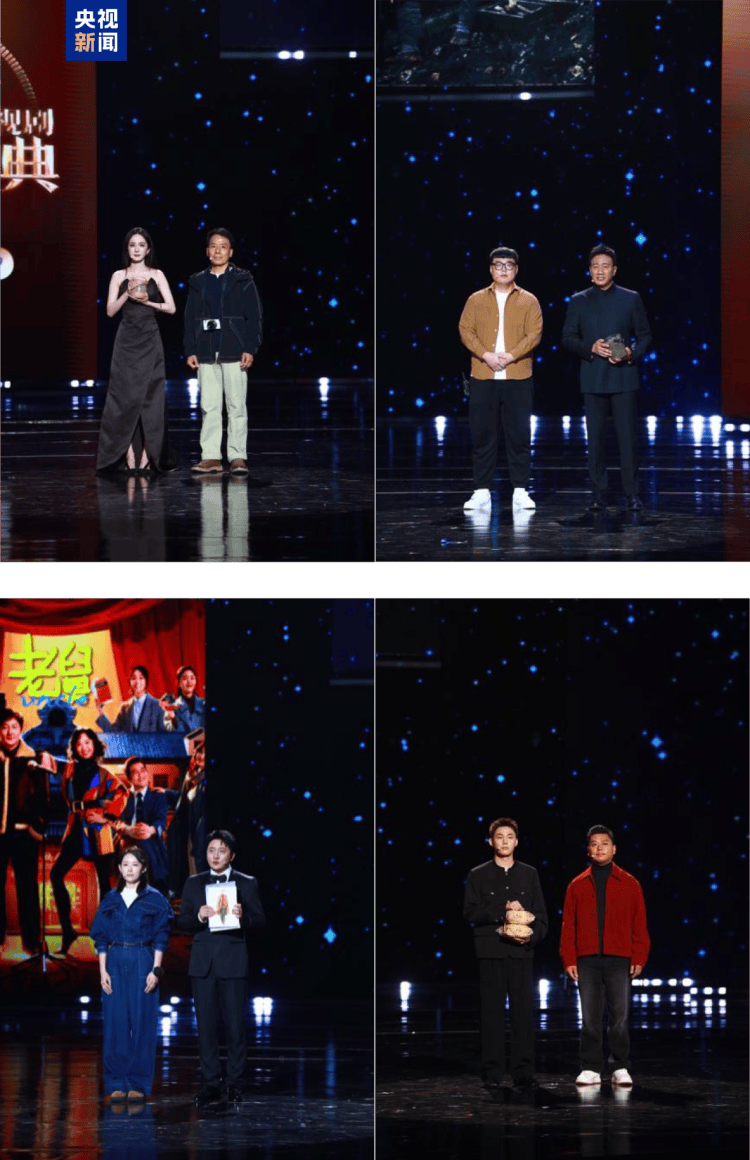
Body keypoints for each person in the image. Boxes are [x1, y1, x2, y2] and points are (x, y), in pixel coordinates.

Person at [177, 830, 265, 1105]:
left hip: (233, 961)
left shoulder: (247, 883)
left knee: (235, 1027)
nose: (215, 855)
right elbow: (183, 922)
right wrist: (199, 915)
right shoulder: (193, 883)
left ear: (232, 855)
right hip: (202, 964)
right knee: (205, 1028)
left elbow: (260, 920)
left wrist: (243, 916)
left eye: (222, 850)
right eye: (211, 850)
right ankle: (211, 1084)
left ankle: (235, 1083)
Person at [562, 244, 653, 511]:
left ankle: (632, 494)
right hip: (593, 379)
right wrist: (589, 347)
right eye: (595, 266)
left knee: (628, 440)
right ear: (589, 271)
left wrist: (630, 352)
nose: (600, 271)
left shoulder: (630, 298)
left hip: (624, 378)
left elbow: (645, 335)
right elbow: (567, 337)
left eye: (605, 266)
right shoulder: (578, 300)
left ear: (614, 270)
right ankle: (598, 494)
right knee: (596, 441)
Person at [559, 824, 650, 1087]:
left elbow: (639, 924)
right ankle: (590, 1067)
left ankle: (620, 1065)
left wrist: (639, 957)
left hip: (619, 958)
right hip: (587, 959)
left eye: (604, 843)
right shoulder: (576, 885)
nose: (599, 848)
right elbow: (568, 926)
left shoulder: (630, 883)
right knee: (590, 1017)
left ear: (614, 849)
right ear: (588, 850)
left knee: (619, 1016)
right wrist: (569, 958)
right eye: (594, 844)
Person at [463, 817, 548, 1088]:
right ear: (491, 841)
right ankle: (492, 1073)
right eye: (499, 837)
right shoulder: (477, 874)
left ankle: (523, 1073)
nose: (504, 841)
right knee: (491, 1015)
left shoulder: (529, 874)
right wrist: (503, 908)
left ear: (517, 841)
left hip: (521, 954)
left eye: (509, 837)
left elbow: (542, 916)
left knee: (523, 1015)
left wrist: (531, 938)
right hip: (490, 953)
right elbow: (470, 913)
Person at [458, 247, 543, 512]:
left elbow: (535, 334)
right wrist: (486, 355)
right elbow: (465, 330)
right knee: (483, 435)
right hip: (483, 375)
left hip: (518, 376)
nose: (503, 269)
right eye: (498, 264)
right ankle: (481, 491)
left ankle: (520, 490)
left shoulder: (529, 300)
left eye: (508, 264)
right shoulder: (475, 300)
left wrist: (510, 356)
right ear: (490, 269)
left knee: (519, 435)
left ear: (516, 269)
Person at [89, 846, 174, 1102]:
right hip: (115, 960)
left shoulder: (155, 899)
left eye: (135, 865)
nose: (129, 869)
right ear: (119, 868)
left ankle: (138, 1083)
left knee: (142, 1023)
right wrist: (102, 971)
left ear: (144, 868)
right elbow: (100, 938)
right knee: (115, 1023)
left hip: (142, 959)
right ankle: (116, 1082)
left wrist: (156, 970)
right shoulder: (111, 899)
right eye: (125, 864)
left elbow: (161, 936)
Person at [97, 226, 178, 475]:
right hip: (126, 341)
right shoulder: (118, 275)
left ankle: (148, 453)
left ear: (148, 249)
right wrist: (127, 294)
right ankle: (126, 453)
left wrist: (148, 301)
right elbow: (110, 311)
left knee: (150, 397)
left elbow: (171, 308)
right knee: (124, 396)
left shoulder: (157, 274)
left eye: (141, 245)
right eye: (132, 245)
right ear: (127, 248)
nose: (136, 249)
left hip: (150, 339)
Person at [184, 228, 263, 476]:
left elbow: (255, 316)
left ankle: (238, 457)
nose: (218, 250)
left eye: (223, 246)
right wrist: (190, 349)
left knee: (237, 405)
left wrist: (250, 347)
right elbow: (189, 318)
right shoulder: (198, 281)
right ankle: (211, 457)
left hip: (234, 350)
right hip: (206, 351)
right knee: (209, 406)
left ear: (231, 252)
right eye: (213, 246)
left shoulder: (243, 279)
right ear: (207, 251)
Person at [51, 728, 129, 955]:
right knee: (56, 874)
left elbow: (122, 793)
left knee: (104, 883)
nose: (84, 747)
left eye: (88, 742)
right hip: (75, 828)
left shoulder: (103, 773)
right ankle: (68, 931)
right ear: (74, 748)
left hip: (98, 830)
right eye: (79, 743)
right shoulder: (68, 770)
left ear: (94, 745)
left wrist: (107, 816)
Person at [0, 709, 53, 954]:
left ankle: (31, 941)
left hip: (24, 834)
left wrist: (38, 827)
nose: (9, 732)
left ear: (20, 730)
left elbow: (44, 797)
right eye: (4, 727)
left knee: (28, 888)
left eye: (14, 727)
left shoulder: (34, 759)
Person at [114, 759, 170, 894]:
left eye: (143, 771)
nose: (140, 775)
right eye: (135, 772)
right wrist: (129, 830)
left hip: (151, 840)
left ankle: (152, 888)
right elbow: (117, 820)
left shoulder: (157, 796)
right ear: (129, 778)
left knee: (145, 843)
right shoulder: (123, 797)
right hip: (127, 839)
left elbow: (160, 820)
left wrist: (150, 830)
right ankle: (158, 887)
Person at [167, 744, 207, 897]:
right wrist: (166, 792)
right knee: (188, 862)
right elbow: (185, 798)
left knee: (200, 862)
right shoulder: (192, 775)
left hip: (201, 827)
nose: (201, 756)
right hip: (188, 825)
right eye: (199, 752)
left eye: (205, 753)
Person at [95, 665, 168, 734]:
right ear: (129, 681)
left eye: (141, 678)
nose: (137, 682)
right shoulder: (124, 708)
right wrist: (101, 711)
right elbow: (112, 732)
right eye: (133, 678)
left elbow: (164, 735)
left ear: (146, 681)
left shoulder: (158, 705)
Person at [162, 665, 205, 733]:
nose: (189, 682)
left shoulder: (203, 704)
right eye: (185, 678)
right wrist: (173, 718)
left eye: (192, 678)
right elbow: (168, 731)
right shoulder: (172, 706)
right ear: (178, 683)